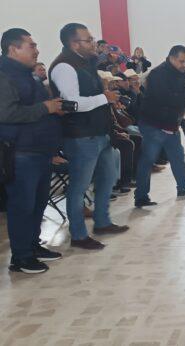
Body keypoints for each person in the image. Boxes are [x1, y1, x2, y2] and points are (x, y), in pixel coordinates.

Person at [50, 23, 128, 250]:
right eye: (89, 40)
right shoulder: (64, 66)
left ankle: (102, 221)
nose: (94, 43)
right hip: (81, 136)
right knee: (78, 187)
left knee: (108, 177)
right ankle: (79, 235)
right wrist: (105, 97)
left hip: (99, 132)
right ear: (74, 43)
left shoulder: (85, 62)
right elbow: (72, 103)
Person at [0, 28, 66, 273]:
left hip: (39, 150)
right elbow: (5, 113)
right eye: (31, 45)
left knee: (38, 204)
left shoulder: (27, 75)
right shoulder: (5, 75)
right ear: (13, 48)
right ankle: (21, 257)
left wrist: (51, 109)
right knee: (22, 205)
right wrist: (45, 108)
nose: (36, 50)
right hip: (20, 151)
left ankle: (32, 246)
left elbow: (36, 107)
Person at [133, 45, 185, 208]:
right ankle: (141, 196)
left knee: (178, 157)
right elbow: (165, 98)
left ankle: (183, 187)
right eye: (181, 61)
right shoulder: (158, 74)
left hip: (172, 123)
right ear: (172, 58)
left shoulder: (181, 73)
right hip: (154, 124)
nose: (184, 65)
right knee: (148, 160)